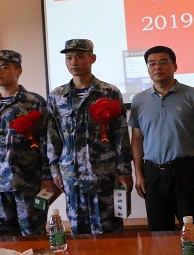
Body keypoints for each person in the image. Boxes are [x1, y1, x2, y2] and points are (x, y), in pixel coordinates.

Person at [47, 39, 133, 234]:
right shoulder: (57, 95)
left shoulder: (109, 92)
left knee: (109, 232)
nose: (73, 62)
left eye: (79, 57)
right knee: (79, 234)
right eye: (69, 58)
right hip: (72, 177)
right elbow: (53, 136)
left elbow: (120, 134)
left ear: (92, 58)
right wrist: (54, 170)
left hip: (104, 175)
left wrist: (124, 170)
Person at [129, 45, 194, 231]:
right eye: (152, 64)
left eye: (163, 62)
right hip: (153, 173)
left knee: (191, 229)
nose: (157, 67)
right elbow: (137, 139)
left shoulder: (193, 95)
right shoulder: (139, 100)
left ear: (175, 66)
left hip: (186, 171)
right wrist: (139, 174)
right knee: (158, 232)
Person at [0, 49, 55, 236]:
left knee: (32, 236)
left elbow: (46, 141)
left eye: (4, 67)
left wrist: (47, 177)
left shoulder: (34, 102)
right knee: (2, 239)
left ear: (18, 71)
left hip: (27, 182)